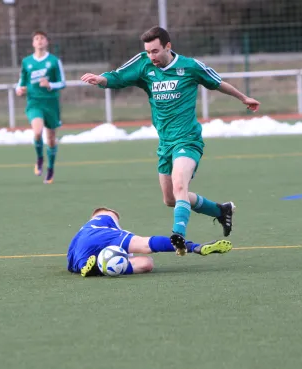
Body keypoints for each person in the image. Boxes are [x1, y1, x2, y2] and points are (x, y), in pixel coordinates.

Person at [80, 26, 260, 253]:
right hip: (165, 143)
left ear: (168, 46)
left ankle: (178, 235)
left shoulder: (190, 66)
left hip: (188, 140)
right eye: (148, 52)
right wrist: (101, 79)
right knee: (171, 199)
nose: (151, 56)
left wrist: (244, 98)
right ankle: (220, 211)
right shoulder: (144, 65)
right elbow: (118, 76)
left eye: (155, 51)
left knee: (179, 185)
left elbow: (217, 82)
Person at [68, 207, 233, 277]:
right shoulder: (105, 218)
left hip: (76, 257)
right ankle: (194, 246)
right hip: (100, 237)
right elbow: (143, 244)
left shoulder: (82, 231)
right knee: (145, 245)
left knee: (147, 263)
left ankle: (97, 269)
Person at [16, 30, 66, 184]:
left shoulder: (54, 60)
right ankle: (39, 158)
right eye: (36, 39)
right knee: (37, 132)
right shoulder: (27, 62)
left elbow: (62, 82)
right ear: (33, 43)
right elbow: (21, 81)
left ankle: (50, 169)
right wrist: (19, 89)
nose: (39, 41)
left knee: (51, 139)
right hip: (34, 103)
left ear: (46, 42)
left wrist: (50, 84)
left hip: (51, 104)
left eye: (42, 38)